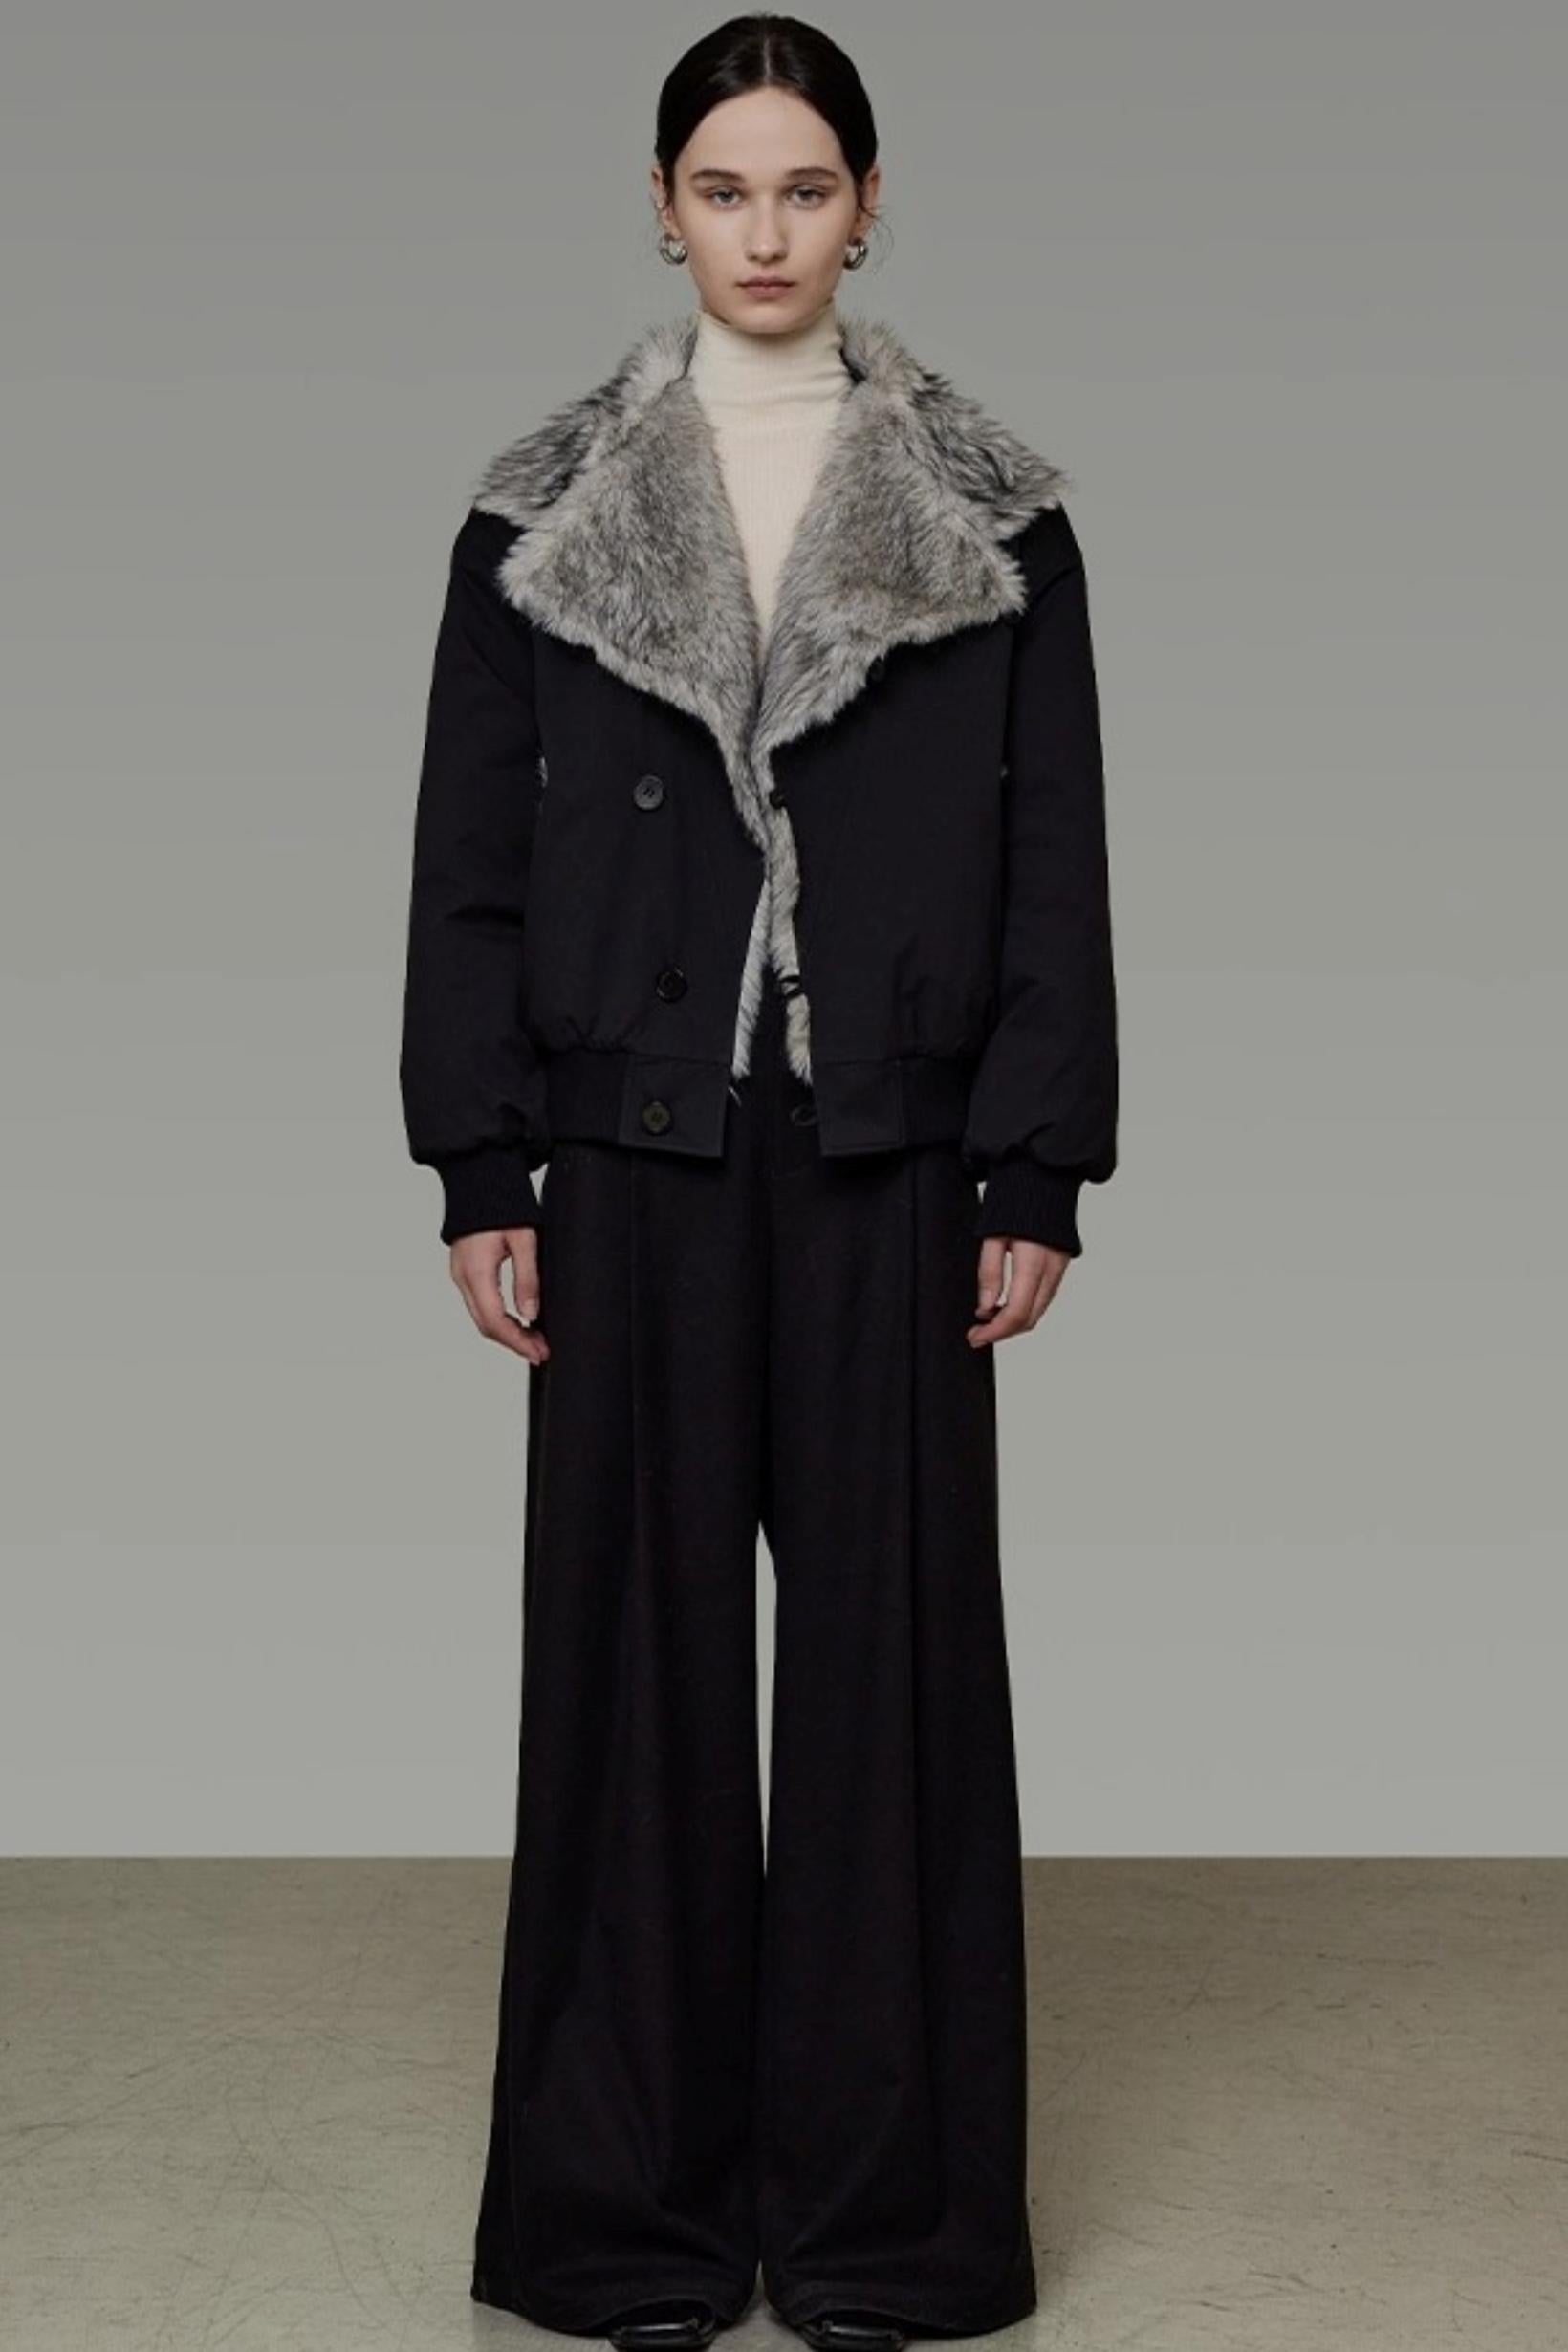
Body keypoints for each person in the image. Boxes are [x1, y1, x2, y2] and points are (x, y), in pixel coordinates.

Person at [399, 15, 1118, 2351]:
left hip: (893, 1147)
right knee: (630, 1680)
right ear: (662, 207)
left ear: (868, 207)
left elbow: (1052, 853)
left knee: (896, 1685)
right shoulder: (538, 516)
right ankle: (625, 2220)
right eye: (726, 189)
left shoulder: (995, 519)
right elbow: (469, 863)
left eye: (807, 187)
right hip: (629, 1149)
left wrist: (1036, 1162)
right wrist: (477, 1156)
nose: (768, 230)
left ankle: (889, 2227)